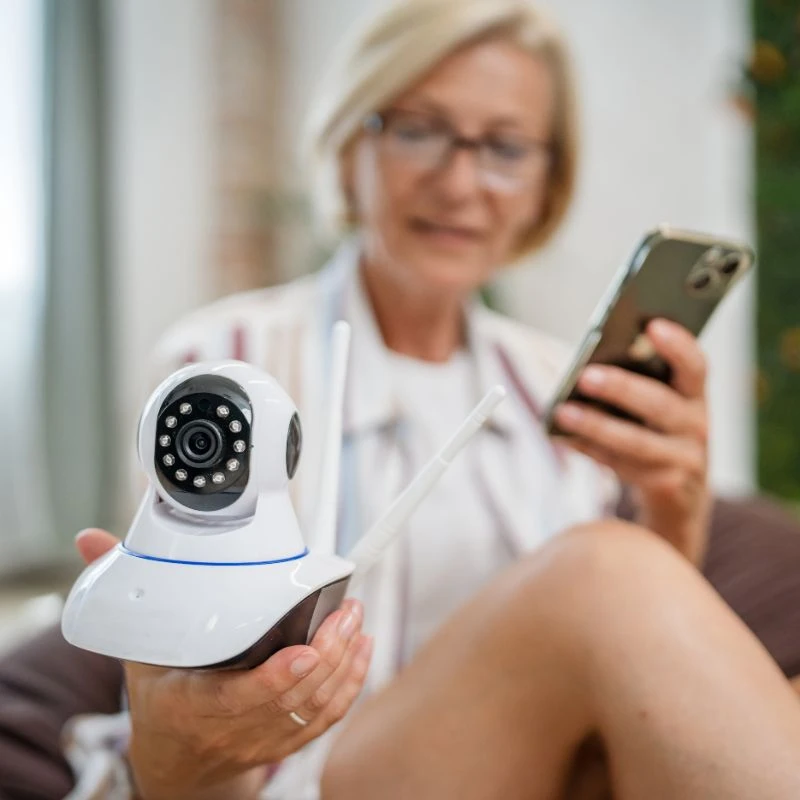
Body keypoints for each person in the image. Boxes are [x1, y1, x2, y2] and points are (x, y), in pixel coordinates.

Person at [2, 0, 799, 797]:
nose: (458, 182)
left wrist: (672, 513)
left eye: (505, 147)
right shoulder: (225, 372)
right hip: (307, 776)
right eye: (418, 130)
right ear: (352, 145)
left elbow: (620, 661)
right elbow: (182, 698)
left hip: (541, 767)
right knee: (600, 570)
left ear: (545, 181)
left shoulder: (557, 387)